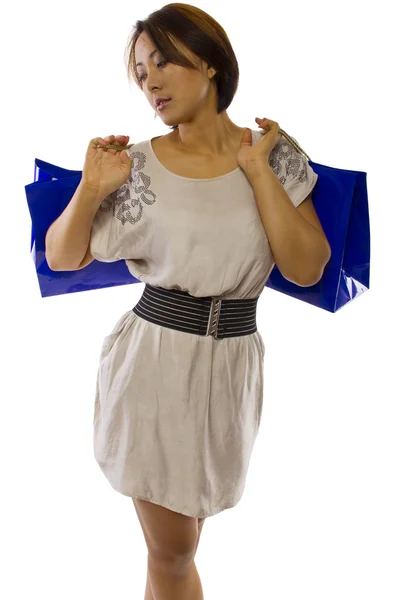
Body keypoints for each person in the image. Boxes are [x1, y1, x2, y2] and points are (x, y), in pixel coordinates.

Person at [46, 5, 323, 599]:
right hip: (154, 363)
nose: (151, 81)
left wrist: (256, 169)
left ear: (212, 61)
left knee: (179, 546)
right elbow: (61, 256)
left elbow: (306, 267)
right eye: (142, 72)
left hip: (232, 366)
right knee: (174, 551)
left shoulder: (272, 153)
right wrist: (91, 187)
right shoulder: (136, 166)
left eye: (164, 61)